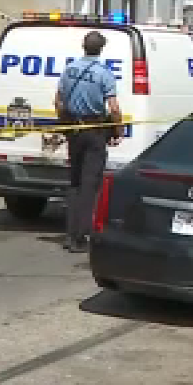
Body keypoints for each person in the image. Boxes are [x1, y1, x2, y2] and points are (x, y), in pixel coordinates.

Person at [55, 31, 122, 253]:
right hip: (94, 131)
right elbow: (113, 108)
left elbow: (58, 101)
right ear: (101, 49)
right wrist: (117, 130)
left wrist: (65, 124)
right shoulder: (104, 73)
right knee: (89, 184)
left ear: (84, 46)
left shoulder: (70, 69)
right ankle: (80, 237)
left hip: (74, 129)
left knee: (74, 183)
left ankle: (69, 233)